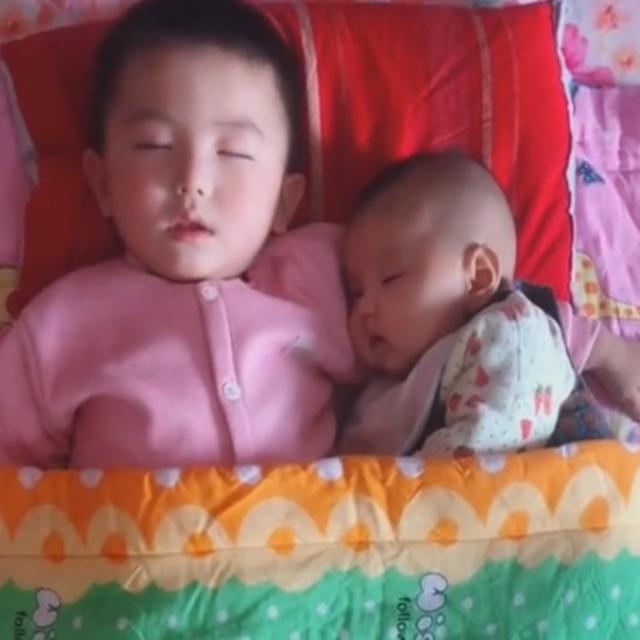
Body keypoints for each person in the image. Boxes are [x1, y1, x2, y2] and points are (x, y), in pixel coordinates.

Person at [0, 0, 357, 468]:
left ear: (285, 201)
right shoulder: (59, 327)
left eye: (233, 152)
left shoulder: (328, 276)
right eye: (156, 145)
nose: (193, 181)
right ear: (102, 183)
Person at [338, 153, 619, 457]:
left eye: (391, 277)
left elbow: (486, 450)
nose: (364, 309)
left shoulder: (510, 332)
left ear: (477, 277)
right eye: (355, 293)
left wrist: (615, 355)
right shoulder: (387, 389)